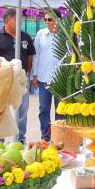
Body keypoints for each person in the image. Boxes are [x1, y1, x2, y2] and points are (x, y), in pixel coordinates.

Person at [0, 8, 36, 143]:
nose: (20, 22)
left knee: (22, 109)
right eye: (16, 19)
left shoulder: (25, 37)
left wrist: (26, 74)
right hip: (2, 79)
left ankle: (20, 139)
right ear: (7, 20)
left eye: (21, 19)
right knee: (0, 109)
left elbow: (30, 57)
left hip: (21, 79)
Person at [32, 10, 62, 141]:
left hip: (61, 79)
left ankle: (59, 137)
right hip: (43, 78)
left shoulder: (65, 35)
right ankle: (45, 137)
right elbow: (36, 56)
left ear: (58, 20)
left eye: (50, 19)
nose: (47, 22)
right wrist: (34, 75)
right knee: (44, 109)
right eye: (45, 20)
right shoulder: (40, 34)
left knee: (61, 110)